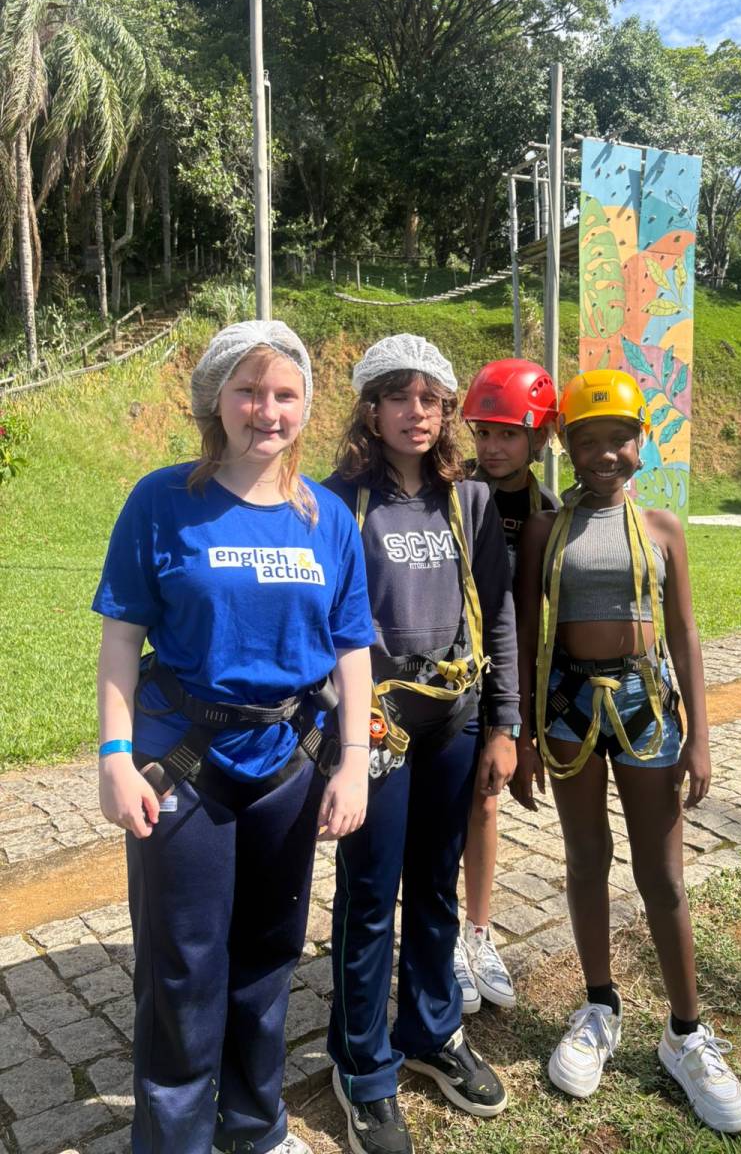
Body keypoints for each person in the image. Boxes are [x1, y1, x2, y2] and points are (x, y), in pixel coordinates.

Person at [93, 320, 376, 1154]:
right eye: (249, 390)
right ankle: (173, 1138)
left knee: (269, 953)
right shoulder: (162, 502)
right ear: (215, 399)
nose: (267, 410)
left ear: (305, 407)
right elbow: (120, 639)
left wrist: (354, 763)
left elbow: (352, 648)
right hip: (181, 765)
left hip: (288, 765)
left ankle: (254, 1125)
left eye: (285, 393)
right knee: (181, 966)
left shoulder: (327, 517)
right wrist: (114, 758)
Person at [511, 368, 741, 1135]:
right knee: (586, 858)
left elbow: (683, 633)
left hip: (650, 709)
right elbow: (525, 634)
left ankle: (686, 1032)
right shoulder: (547, 532)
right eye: (588, 441)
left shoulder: (663, 530)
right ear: (568, 448)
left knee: (663, 875)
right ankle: (599, 1006)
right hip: (568, 707)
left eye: (619, 439)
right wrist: (522, 736)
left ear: (641, 444)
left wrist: (701, 736)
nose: (605, 454)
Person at [323, 334, 520, 1154]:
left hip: (455, 721)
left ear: (446, 413)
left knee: (435, 884)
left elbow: (500, 615)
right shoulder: (336, 502)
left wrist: (504, 723)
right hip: (375, 724)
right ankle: (362, 1066)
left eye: (431, 399)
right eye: (399, 397)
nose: (417, 412)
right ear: (371, 409)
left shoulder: (468, 500)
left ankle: (431, 1031)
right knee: (371, 895)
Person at [453, 358, 559, 1014]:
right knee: (440, 809)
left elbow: (546, 624)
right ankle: (440, 935)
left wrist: (526, 727)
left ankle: (477, 931)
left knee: (485, 804)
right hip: (445, 680)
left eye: (509, 435)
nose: (493, 447)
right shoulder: (448, 492)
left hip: (508, 685)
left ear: (538, 437)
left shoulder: (553, 514)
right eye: (483, 432)